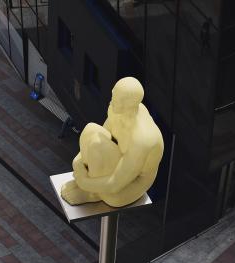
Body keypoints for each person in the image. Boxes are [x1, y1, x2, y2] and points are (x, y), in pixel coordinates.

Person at [61, 77, 164, 207]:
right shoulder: (116, 109)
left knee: (112, 198)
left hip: (134, 182)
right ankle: (92, 184)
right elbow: (101, 135)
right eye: (113, 93)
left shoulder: (142, 139)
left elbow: (115, 183)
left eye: (117, 98)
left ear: (128, 104)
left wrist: (83, 182)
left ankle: (93, 193)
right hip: (120, 162)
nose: (112, 100)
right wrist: (78, 163)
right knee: (90, 130)